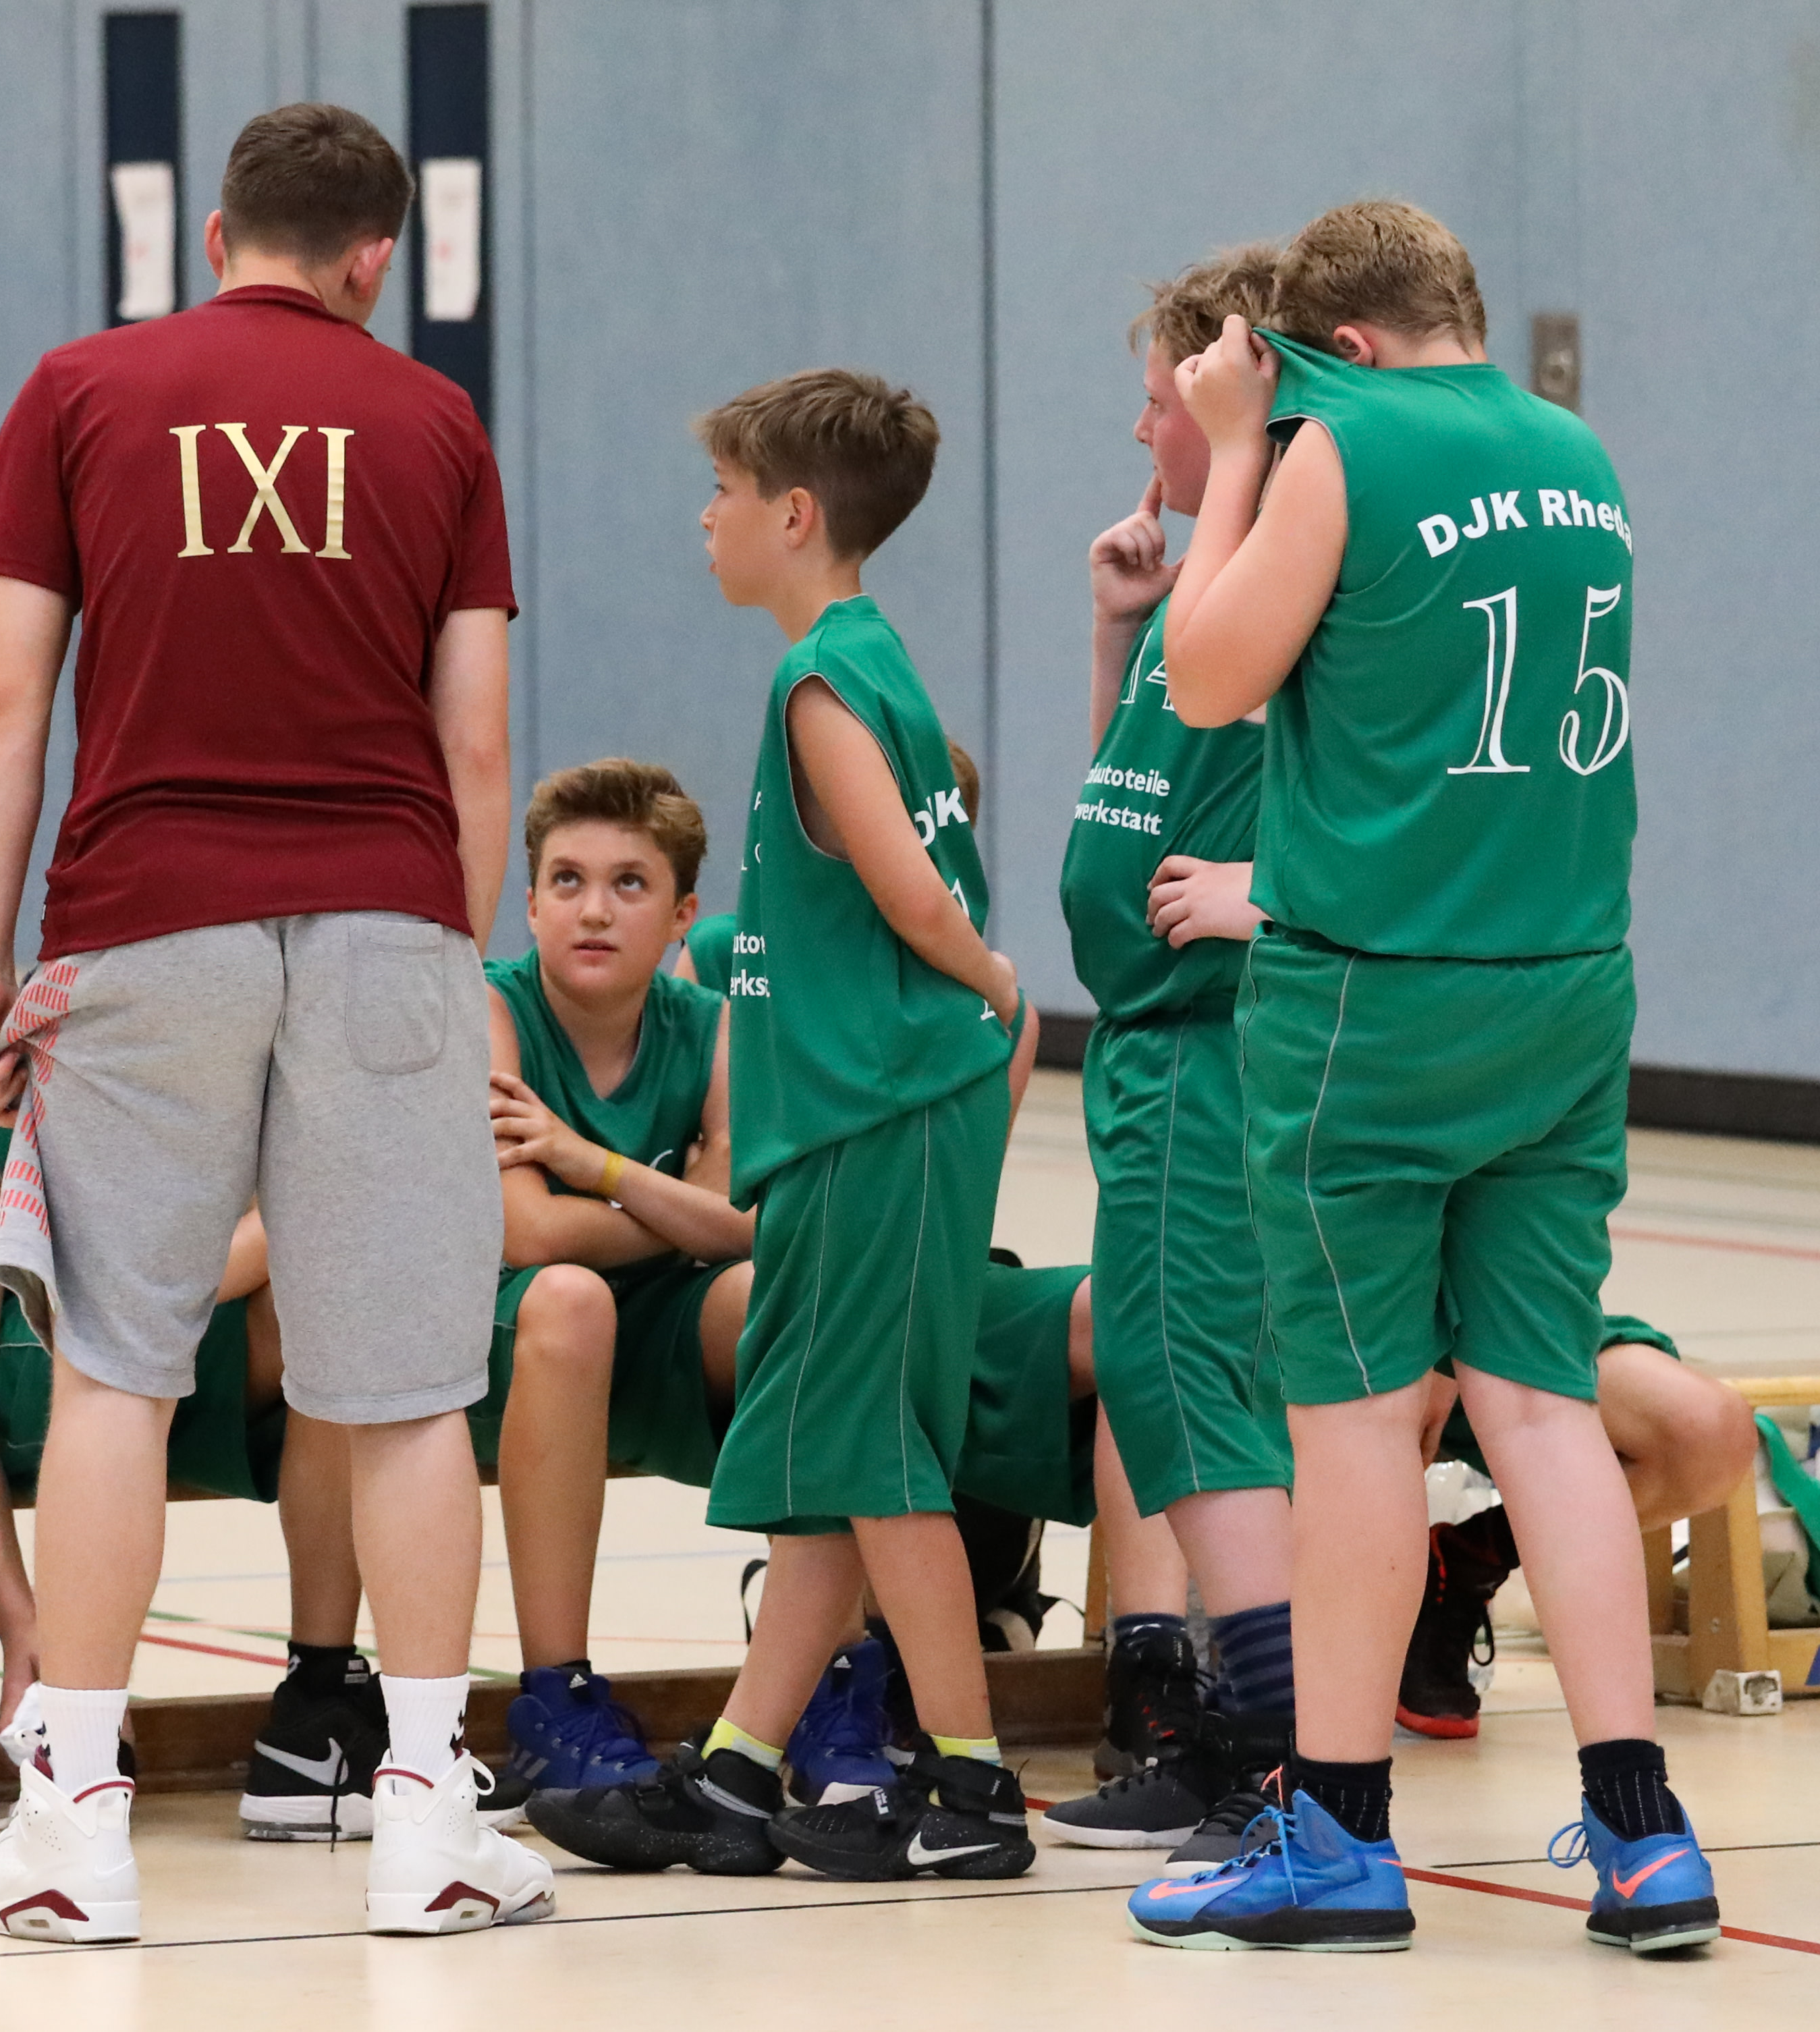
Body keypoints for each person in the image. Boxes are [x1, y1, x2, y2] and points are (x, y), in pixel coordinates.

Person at [0, 101, 547, 1942]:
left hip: (145, 921)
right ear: (376, 259)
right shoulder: (436, 422)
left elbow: (4, 698)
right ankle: (425, 1822)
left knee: (117, 1370)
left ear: (214, 238)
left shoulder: (76, 392)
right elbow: (479, 741)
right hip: (388, 924)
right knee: (409, 1391)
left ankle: (75, 1823)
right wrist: (447, 958)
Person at [1129, 200, 1711, 1956]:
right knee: (1538, 1405)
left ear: (1343, 348)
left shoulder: (1341, 445)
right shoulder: (1575, 452)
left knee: (1358, 1420)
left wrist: (1238, 453)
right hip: (1565, 988)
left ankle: (1333, 1831)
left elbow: (1204, 679)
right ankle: (1641, 1832)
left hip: (1370, 1008)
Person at [530, 367, 1032, 1883]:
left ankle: (971, 1784)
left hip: (883, 1110)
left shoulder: (820, 682)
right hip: (857, 1115)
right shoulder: (869, 658)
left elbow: (908, 886)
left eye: (726, 492)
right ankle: (743, 1771)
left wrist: (985, 975)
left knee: (877, 1459)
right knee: (827, 1457)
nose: (707, 517)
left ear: (795, 514)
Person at [1039, 245, 1300, 1871]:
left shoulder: (1294, 584)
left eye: (1162, 402)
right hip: (1146, 1045)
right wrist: (1113, 636)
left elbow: (1396, 808)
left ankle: (1262, 1750)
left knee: (1193, 1391)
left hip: (1212, 1050)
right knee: (1165, 1383)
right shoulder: (1198, 593)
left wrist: (1267, 896)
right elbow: (1119, 807)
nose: (1143, 435)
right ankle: (1233, 1735)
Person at [0, 1074, 399, 1841]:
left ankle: (316, 1701)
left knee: (336, 1308)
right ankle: (78, 1727)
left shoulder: (261, 1048)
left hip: (171, 1323)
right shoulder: (7, 1072)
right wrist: (24, 1622)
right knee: (308, 1263)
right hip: (16, 1344)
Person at [476, 760, 751, 1804]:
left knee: (783, 1296)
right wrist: (678, 1206)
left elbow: (748, 1226)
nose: (594, 909)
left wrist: (588, 1162)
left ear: (681, 915)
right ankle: (557, 1696)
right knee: (570, 1294)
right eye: (568, 880)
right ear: (531, 902)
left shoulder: (713, 1024)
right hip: (506, 1341)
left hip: (655, 1329)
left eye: (629, 883)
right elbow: (528, 1232)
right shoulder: (489, 1007)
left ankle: (833, 1671)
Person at [1400, 1315, 1755, 1736]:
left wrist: (1443, 1364)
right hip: (1357, 1327)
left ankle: (1464, 1565)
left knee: (1708, 1432)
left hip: (1506, 1318)